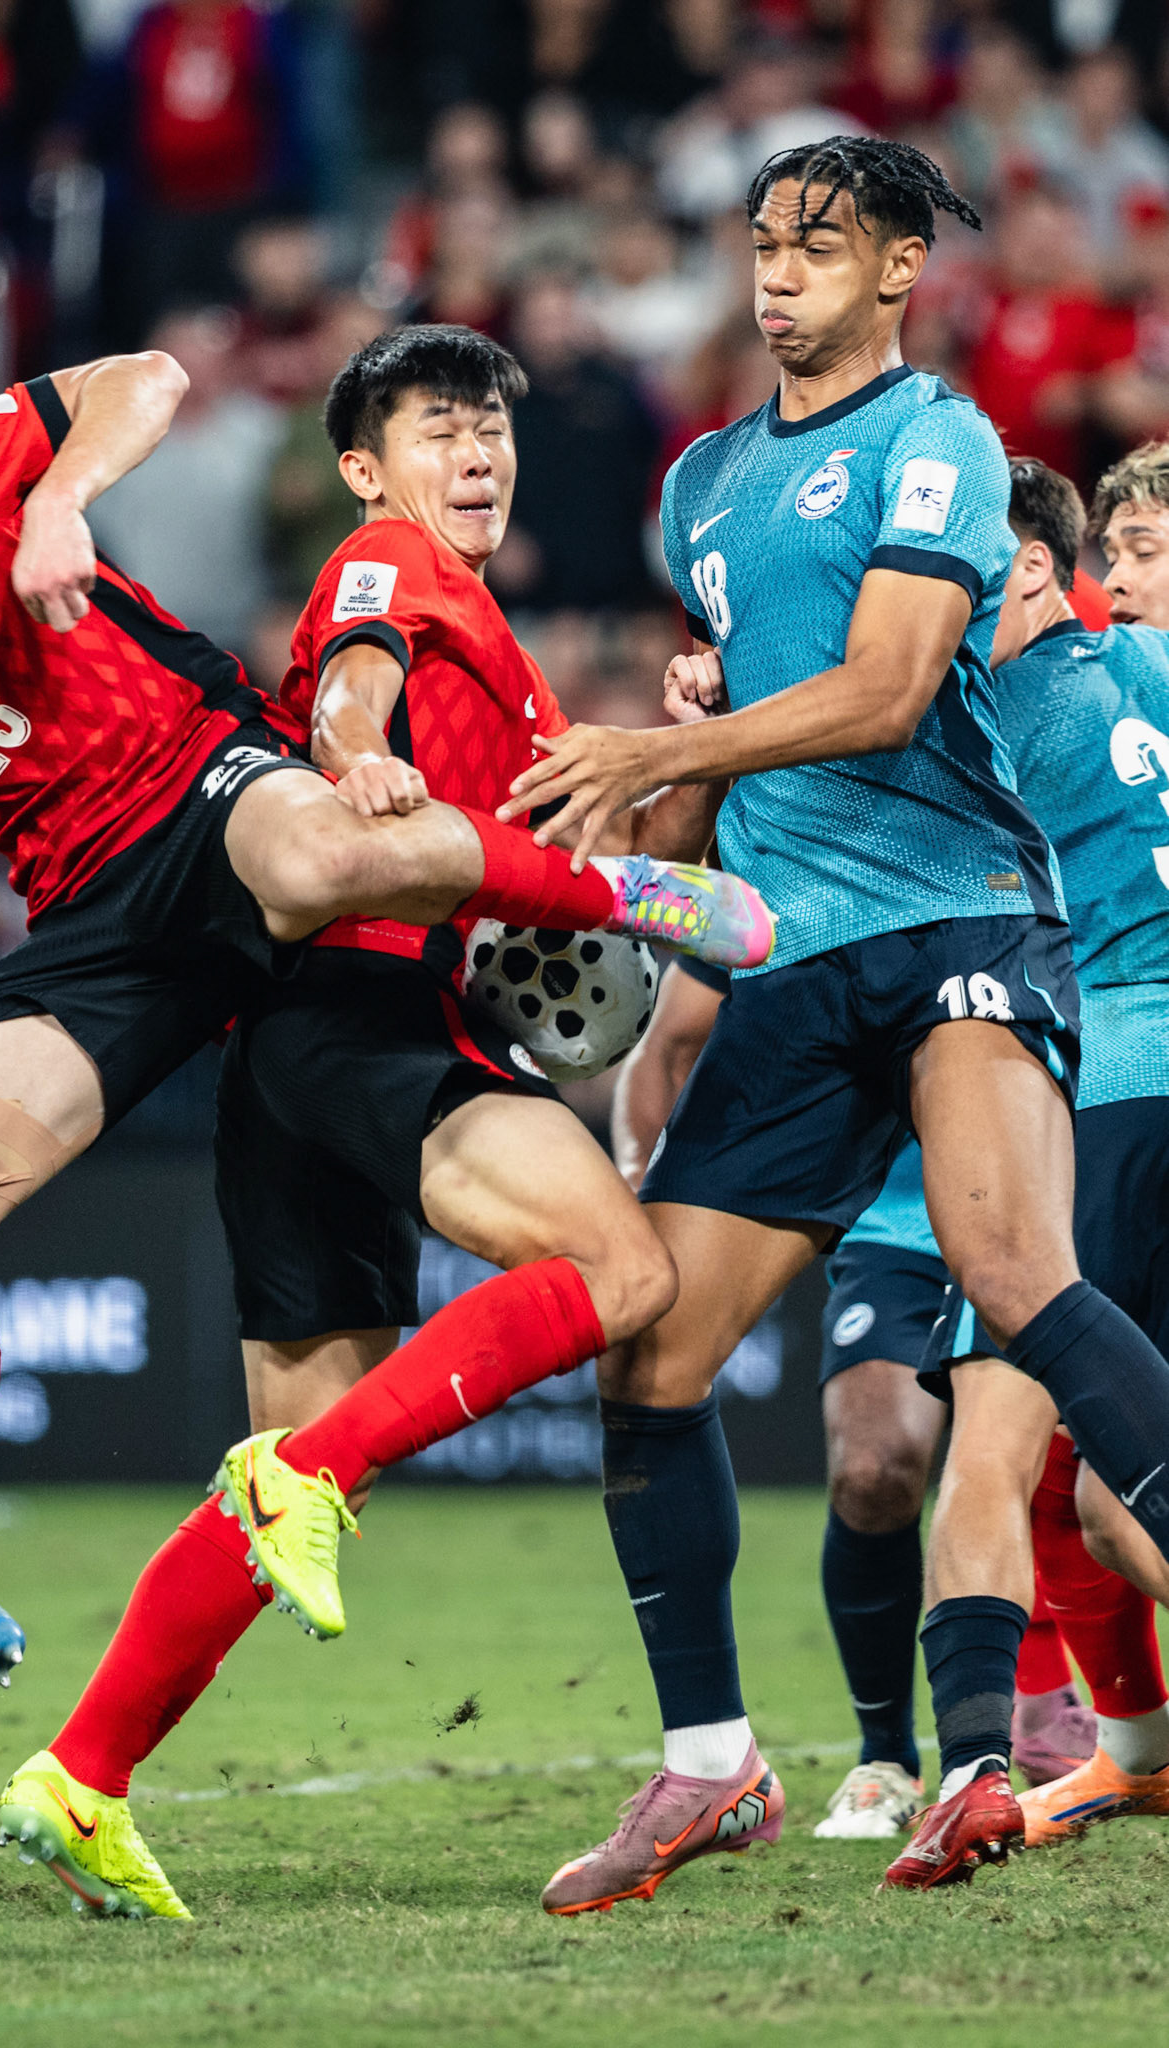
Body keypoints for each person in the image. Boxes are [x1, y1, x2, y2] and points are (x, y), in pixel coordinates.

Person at [0, 350, 765, 1725]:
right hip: (90, 907)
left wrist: (57, 498)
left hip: (194, 773)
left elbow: (147, 377)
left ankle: (623, 893)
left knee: (320, 857)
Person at [0, 324, 743, 1922]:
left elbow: (620, 878)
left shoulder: (499, 649)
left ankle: (81, 1775)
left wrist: (697, 743)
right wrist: (357, 760)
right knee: (622, 1273)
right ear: (363, 468)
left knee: (293, 1460)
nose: (475, 453)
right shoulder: (390, 563)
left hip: (292, 1049)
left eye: (489, 428)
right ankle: (298, 1495)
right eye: (436, 428)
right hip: (370, 1014)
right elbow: (348, 693)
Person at [496, 135, 1169, 1903]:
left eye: (816, 244)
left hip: (960, 921)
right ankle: (711, 1767)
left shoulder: (937, 441)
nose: (777, 272)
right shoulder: (700, 484)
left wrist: (660, 738)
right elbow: (732, 772)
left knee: (1010, 1269)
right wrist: (618, 851)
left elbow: (879, 693)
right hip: (793, 968)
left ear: (894, 269)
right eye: (760, 243)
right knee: (648, 1360)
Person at [613, 973, 1096, 1842]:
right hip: (895, 1229)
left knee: (1068, 1464)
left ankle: (1075, 1705)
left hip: (1038, 1210)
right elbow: (672, 1042)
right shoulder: (800, 890)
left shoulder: (1051, 894)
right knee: (874, 1472)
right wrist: (632, 1196)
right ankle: (887, 1758)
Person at [928, 448, 1169, 1853]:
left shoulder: (990, 705)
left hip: (1112, 1088)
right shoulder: (1152, 667)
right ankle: (1133, 1754)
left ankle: (987, 1759)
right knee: (1085, 1475)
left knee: (1056, 1455)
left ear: (1023, 569)